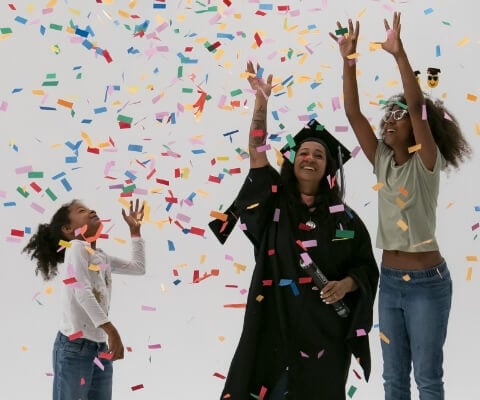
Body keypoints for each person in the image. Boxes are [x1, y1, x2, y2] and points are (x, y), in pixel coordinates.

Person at [209, 61, 379, 400]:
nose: (310, 158)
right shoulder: (275, 204)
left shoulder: (343, 221)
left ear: (329, 166)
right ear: (293, 159)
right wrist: (261, 102)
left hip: (324, 335)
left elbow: (364, 267)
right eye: (304, 152)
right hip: (273, 326)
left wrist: (345, 285)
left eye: (319, 154)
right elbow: (257, 152)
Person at [330, 12, 472, 400]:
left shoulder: (426, 162)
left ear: (417, 128)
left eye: (400, 116)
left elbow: (417, 104)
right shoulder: (382, 161)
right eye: (388, 116)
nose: (391, 120)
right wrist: (348, 62)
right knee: (393, 380)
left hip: (428, 285)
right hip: (390, 282)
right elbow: (353, 114)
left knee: (428, 378)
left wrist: (399, 54)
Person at [22, 198, 146, 400]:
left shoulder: (101, 256)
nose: (91, 210)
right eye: (81, 211)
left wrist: (135, 232)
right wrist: (112, 332)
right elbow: (82, 292)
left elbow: (138, 268)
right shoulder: (76, 247)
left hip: (100, 347)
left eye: (89, 208)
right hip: (74, 348)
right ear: (68, 229)